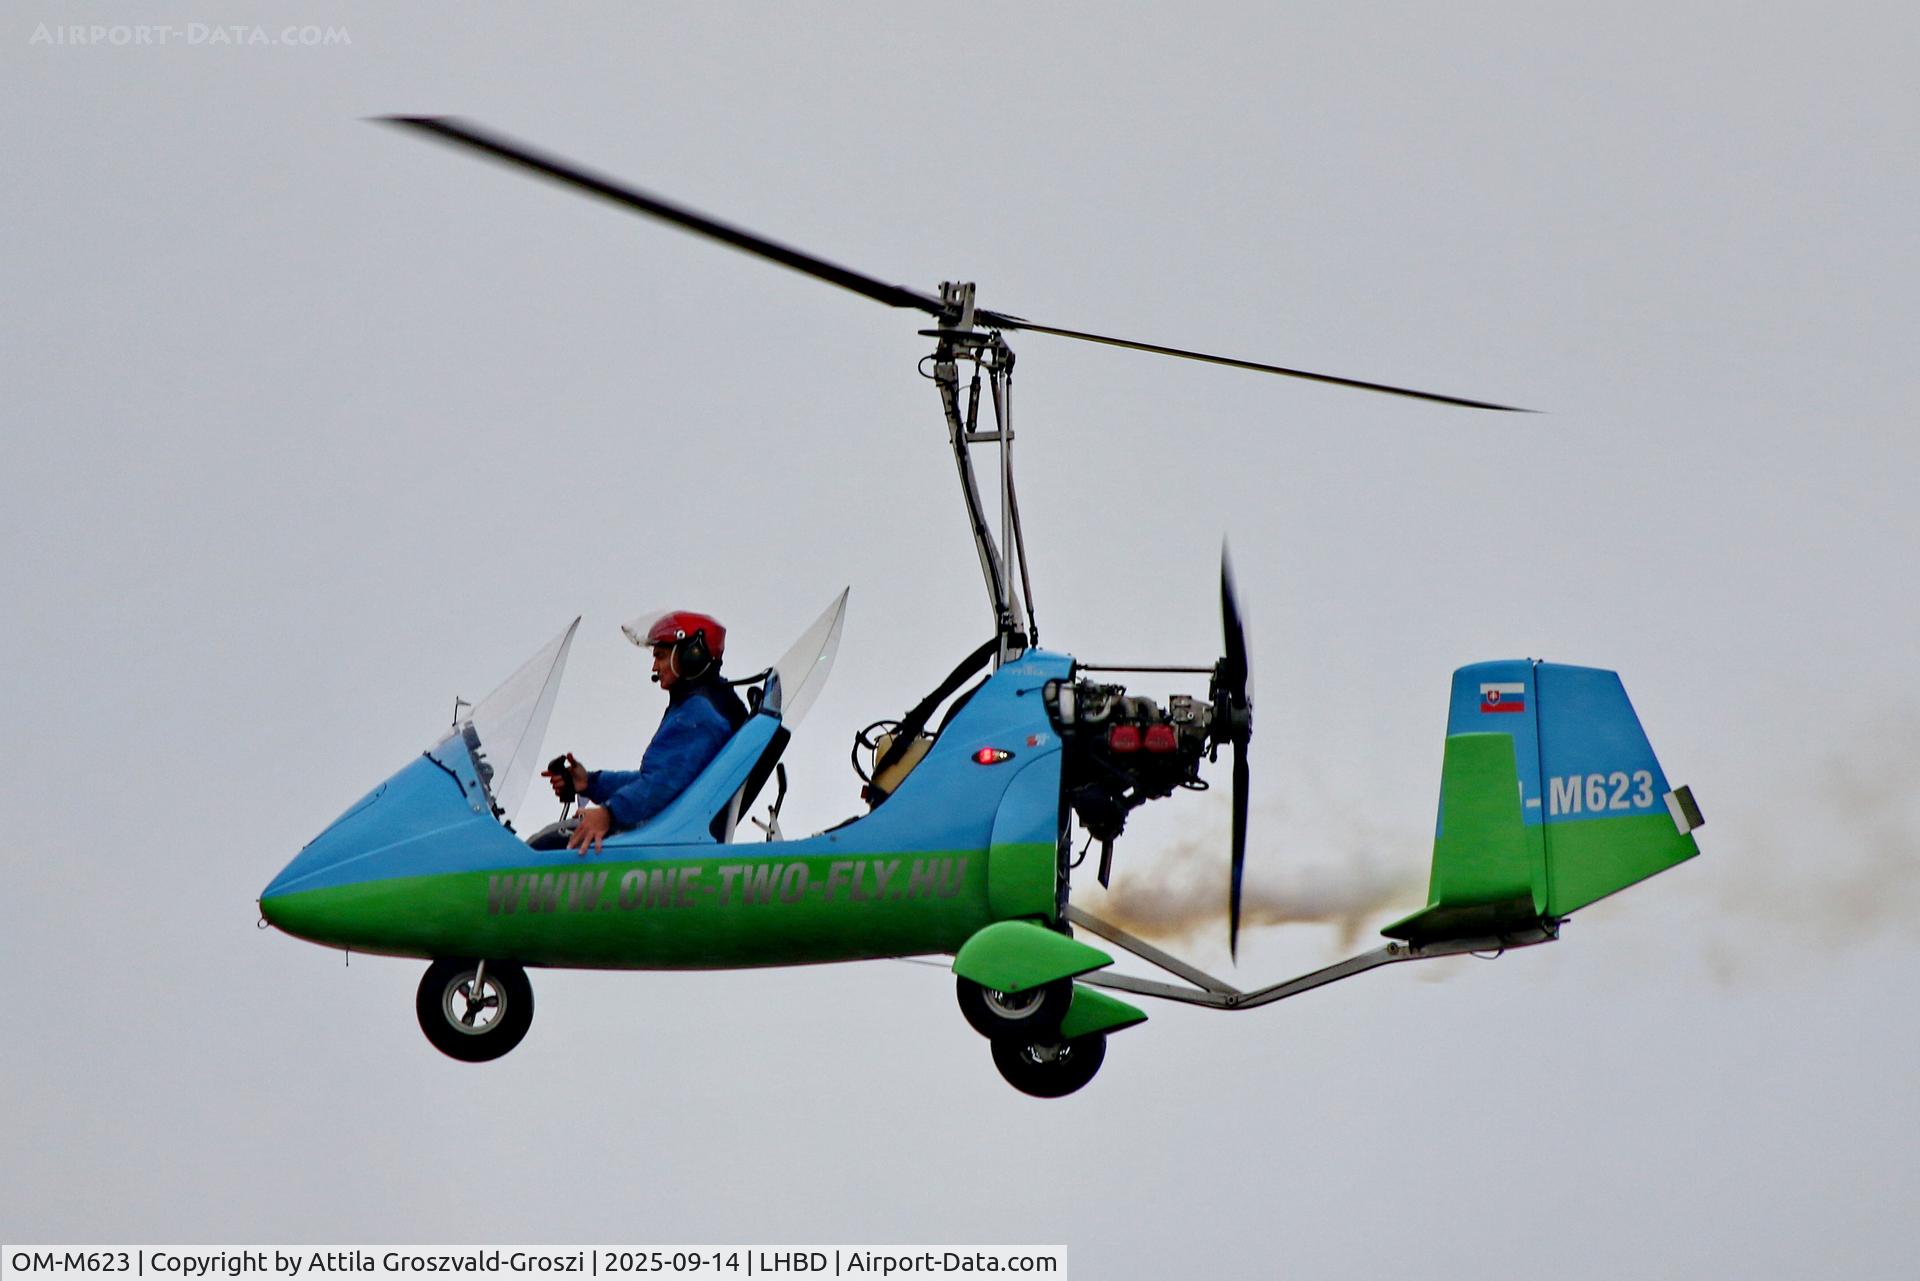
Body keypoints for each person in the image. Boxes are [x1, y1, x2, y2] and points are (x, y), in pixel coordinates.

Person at [543, 610, 749, 854]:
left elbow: (660, 785)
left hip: (671, 848)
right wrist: (590, 783)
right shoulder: (704, 705)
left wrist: (608, 814)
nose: (654, 666)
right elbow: (657, 780)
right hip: (674, 841)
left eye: (660, 656)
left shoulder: (699, 715)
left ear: (693, 654)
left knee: (548, 846)